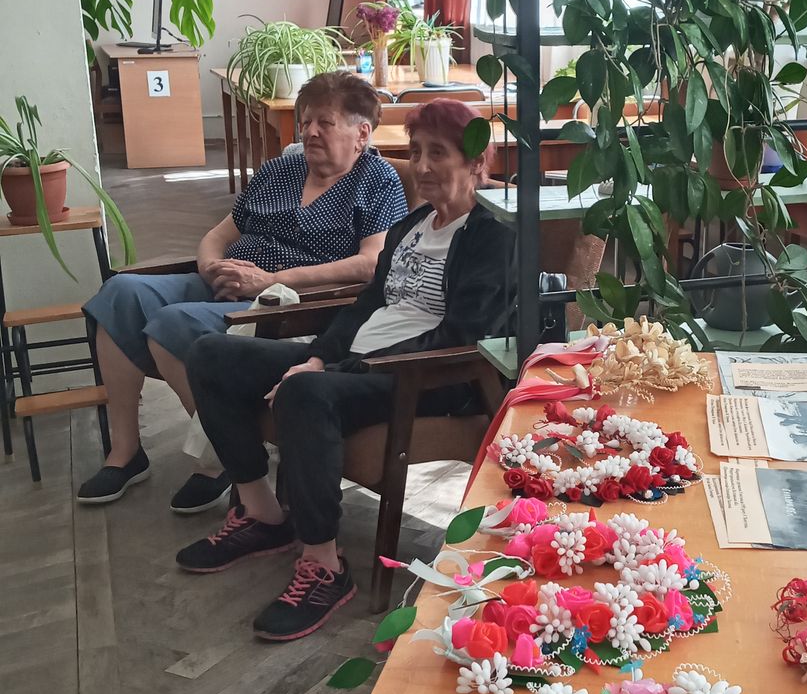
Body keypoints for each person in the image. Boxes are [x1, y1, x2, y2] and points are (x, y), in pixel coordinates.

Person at [178, 98, 514, 641]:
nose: (422, 166)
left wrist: (339, 371)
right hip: (355, 361)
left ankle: (324, 566)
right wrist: (317, 356)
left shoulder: (493, 234)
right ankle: (264, 515)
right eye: (416, 152)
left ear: (476, 162)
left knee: (305, 394)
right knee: (211, 355)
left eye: (438, 153)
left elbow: (463, 335)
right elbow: (366, 305)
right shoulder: (411, 225)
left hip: (427, 377)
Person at [79, 72, 407, 512]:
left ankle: (223, 459)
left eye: (325, 123)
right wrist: (211, 266)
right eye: (306, 121)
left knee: (170, 324)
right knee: (120, 293)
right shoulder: (280, 170)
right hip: (229, 283)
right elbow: (218, 234)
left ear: (362, 133)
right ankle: (126, 452)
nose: (310, 132)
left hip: (286, 301)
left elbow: (371, 263)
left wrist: (274, 279)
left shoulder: (378, 180)